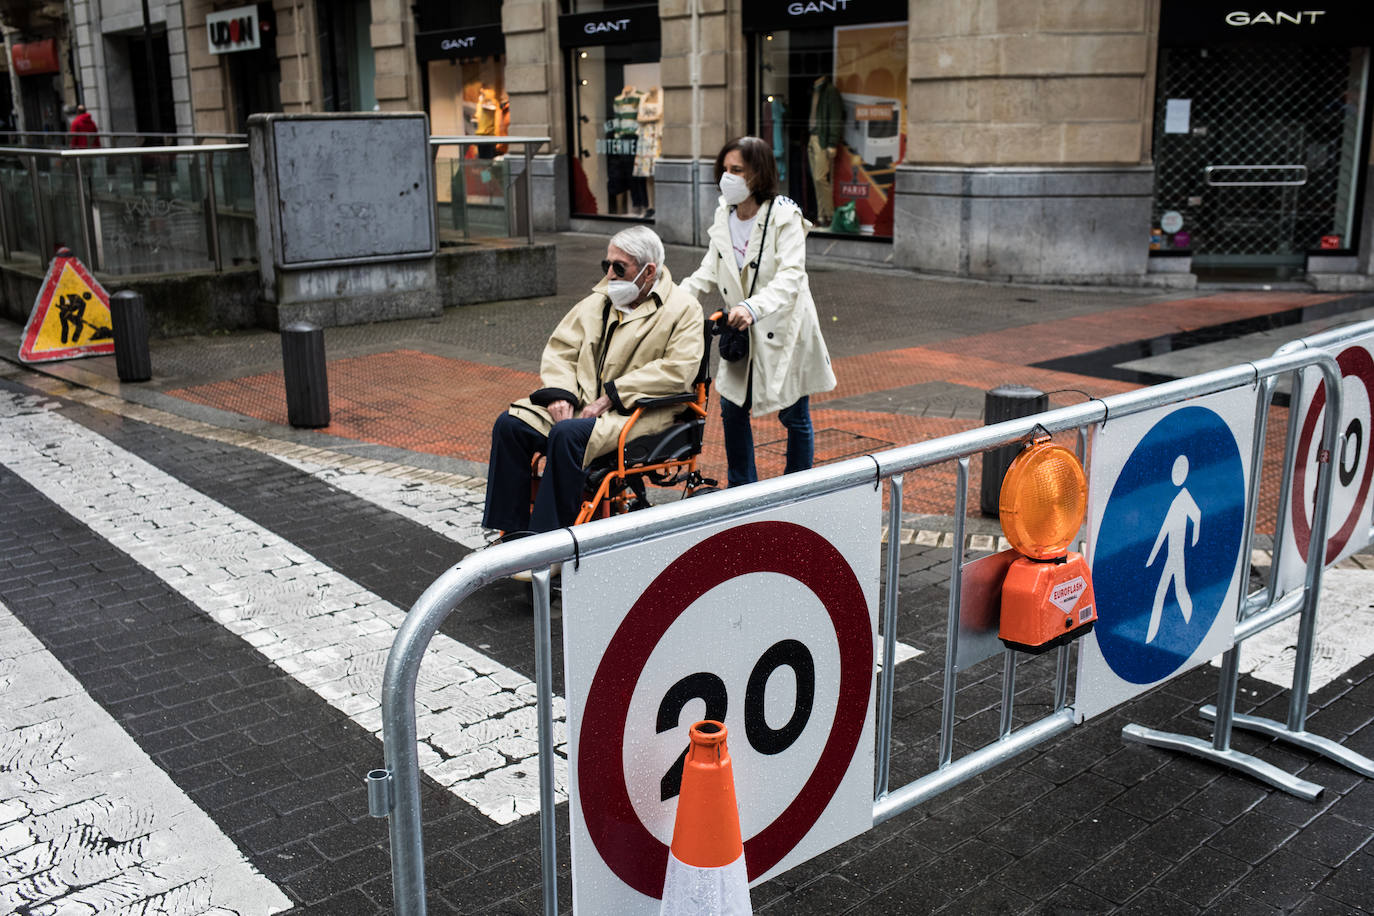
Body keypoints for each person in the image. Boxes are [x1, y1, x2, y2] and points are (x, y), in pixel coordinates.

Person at [482, 226, 704, 535]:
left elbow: (678, 370)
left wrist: (612, 395)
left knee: (567, 435)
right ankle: (508, 532)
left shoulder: (684, 309)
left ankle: (547, 541)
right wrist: (561, 394)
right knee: (510, 425)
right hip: (585, 405)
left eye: (619, 267)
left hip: (640, 412)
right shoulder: (598, 301)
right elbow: (561, 350)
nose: (609, 274)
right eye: (606, 265)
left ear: (649, 271)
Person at [680, 136, 835, 488]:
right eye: (725, 169)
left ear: (758, 173)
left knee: (794, 413)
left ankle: (797, 487)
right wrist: (674, 300)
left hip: (784, 328)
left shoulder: (784, 216)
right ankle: (742, 488)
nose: (727, 177)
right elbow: (709, 268)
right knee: (732, 408)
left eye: (736, 170)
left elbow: (791, 275)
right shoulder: (724, 214)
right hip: (742, 330)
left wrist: (753, 306)